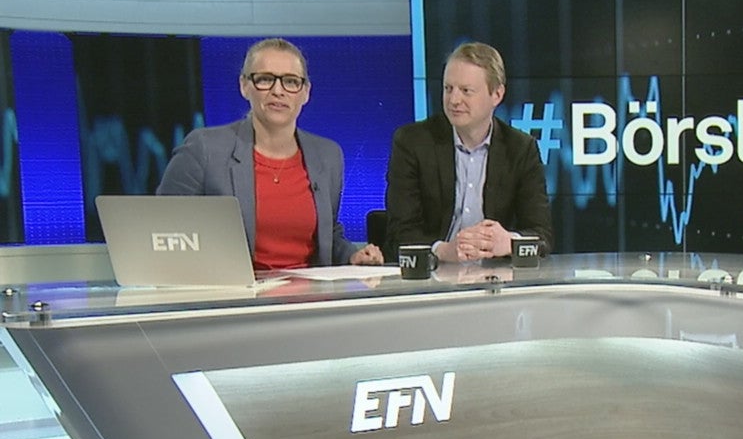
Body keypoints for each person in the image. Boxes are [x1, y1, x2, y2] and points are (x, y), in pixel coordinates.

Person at [157, 38, 382, 269]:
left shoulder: (327, 155)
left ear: (305, 92)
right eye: (265, 79)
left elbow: (328, 235)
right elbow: (162, 229)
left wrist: (352, 256)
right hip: (235, 289)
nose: (278, 91)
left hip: (311, 290)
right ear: (244, 86)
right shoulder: (204, 149)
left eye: (290, 81)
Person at [384, 41, 552, 262]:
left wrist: (509, 242)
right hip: (434, 273)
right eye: (448, 89)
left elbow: (542, 236)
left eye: (466, 91)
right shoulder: (412, 142)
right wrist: (443, 251)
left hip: (498, 276)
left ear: (497, 94)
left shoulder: (520, 149)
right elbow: (399, 232)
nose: (454, 100)